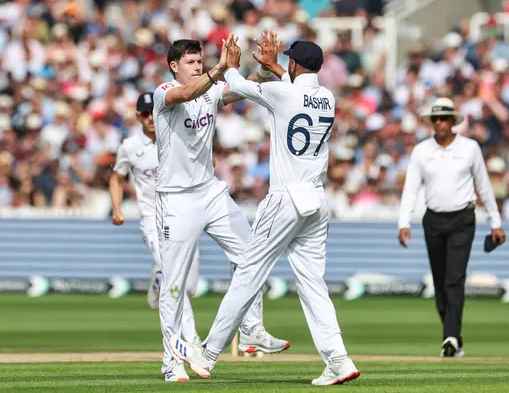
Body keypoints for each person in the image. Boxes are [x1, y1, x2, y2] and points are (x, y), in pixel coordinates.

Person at [168, 35, 361, 386]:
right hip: (317, 202)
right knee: (313, 285)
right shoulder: (327, 98)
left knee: (247, 274)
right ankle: (339, 360)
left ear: (293, 65)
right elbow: (296, 90)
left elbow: (236, 83)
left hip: (286, 198)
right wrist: (274, 67)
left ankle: (208, 353)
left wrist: (234, 62)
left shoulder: (282, 92)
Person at [153, 35, 289, 382]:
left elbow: (234, 91)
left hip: (210, 191)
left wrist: (256, 71)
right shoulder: (164, 92)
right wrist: (220, 69)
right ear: (174, 66)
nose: (197, 67)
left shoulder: (211, 88)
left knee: (252, 255)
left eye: (200, 61)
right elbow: (187, 94)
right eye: (190, 62)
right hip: (176, 198)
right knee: (174, 284)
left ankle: (251, 330)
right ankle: (172, 361)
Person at [397, 97, 507, 357]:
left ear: (453, 121)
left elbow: (484, 186)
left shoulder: (469, 148)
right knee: (439, 282)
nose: (439, 122)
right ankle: (454, 337)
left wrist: (496, 222)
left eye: (444, 118)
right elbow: (411, 188)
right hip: (433, 219)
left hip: (462, 219)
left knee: (454, 280)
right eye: (435, 118)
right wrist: (403, 222)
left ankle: (449, 339)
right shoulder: (422, 150)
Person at [108, 92, 201, 381]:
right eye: (145, 114)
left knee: (191, 286)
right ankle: (192, 344)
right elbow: (116, 177)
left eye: (153, 112)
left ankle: (157, 278)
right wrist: (116, 208)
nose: (150, 118)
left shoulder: (178, 136)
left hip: (183, 217)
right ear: (138, 117)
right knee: (178, 284)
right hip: (152, 221)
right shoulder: (130, 147)